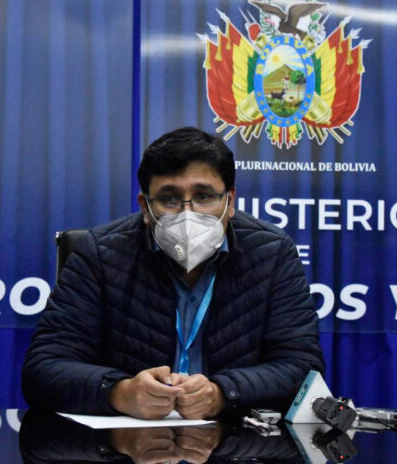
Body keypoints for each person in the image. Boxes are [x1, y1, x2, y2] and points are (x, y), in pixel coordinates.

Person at [22, 127, 325, 419]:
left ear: (230, 202)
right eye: (169, 198)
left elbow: (302, 369)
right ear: (145, 207)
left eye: (204, 196)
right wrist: (120, 392)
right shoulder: (100, 254)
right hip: (128, 443)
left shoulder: (272, 253)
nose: (187, 213)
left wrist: (222, 393)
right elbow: (44, 369)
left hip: (232, 442)